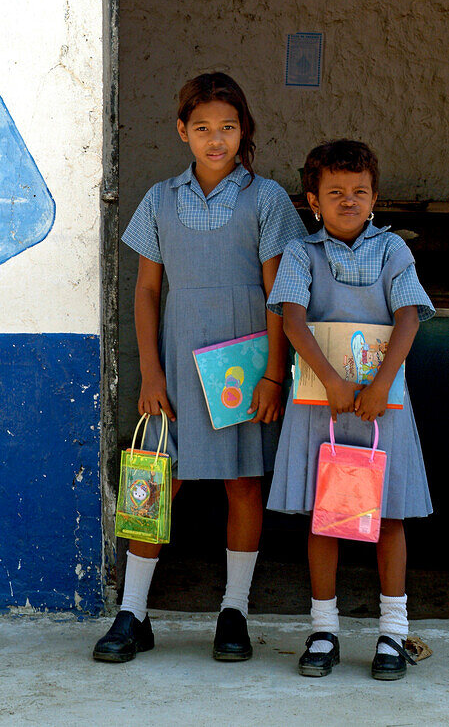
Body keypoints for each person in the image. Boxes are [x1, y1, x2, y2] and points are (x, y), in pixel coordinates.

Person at [93, 72, 306, 664]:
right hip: (177, 366)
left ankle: (233, 610)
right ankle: (132, 613)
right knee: (157, 483)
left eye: (229, 128)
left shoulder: (265, 200)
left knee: (243, 482)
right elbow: (146, 293)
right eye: (204, 128)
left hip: (244, 364)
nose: (217, 140)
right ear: (182, 131)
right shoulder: (159, 200)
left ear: (244, 133)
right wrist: (152, 374)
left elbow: (279, 293)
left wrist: (272, 373)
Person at [267, 140, 434, 681]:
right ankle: (323, 628)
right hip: (324, 404)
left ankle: (392, 631)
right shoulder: (301, 254)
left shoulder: (394, 252)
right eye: (334, 192)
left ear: (374, 197)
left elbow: (408, 316)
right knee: (328, 517)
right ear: (313, 201)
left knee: (388, 516)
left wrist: (381, 384)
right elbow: (293, 318)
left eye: (359, 192)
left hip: (384, 407)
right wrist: (335, 381)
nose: (348, 201)